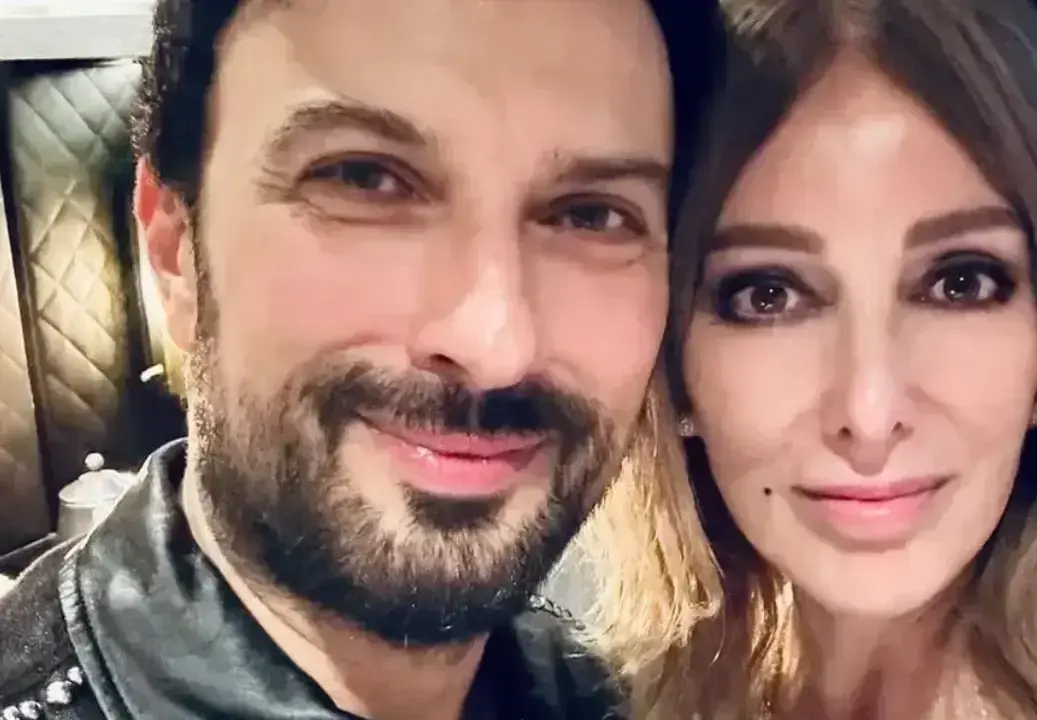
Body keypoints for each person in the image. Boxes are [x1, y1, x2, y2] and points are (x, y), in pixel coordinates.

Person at [0, 0, 718, 718]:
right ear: (174, 250)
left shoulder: (618, 697)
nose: (493, 347)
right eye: (363, 178)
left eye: (591, 215)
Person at [581, 0, 1037, 717]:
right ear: (676, 367)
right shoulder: (591, 694)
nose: (870, 415)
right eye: (769, 295)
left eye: (960, 283)